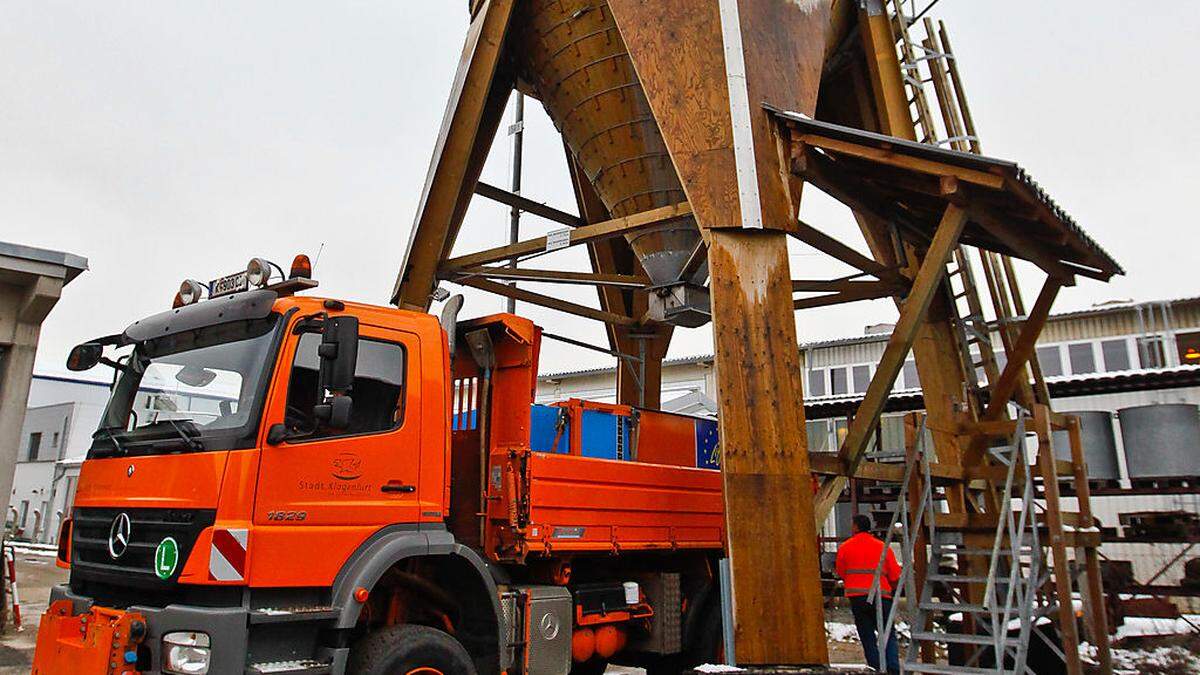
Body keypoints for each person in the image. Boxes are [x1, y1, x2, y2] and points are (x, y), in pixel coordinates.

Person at [836, 514, 901, 674]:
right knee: (888, 633)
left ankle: (876, 666)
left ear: (856, 526)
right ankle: (892, 667)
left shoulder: (846, 547)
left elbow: (841, 571)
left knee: (867, 635)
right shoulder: (882, 547)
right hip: (882, 595)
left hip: (857, 597)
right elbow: (895, 575)